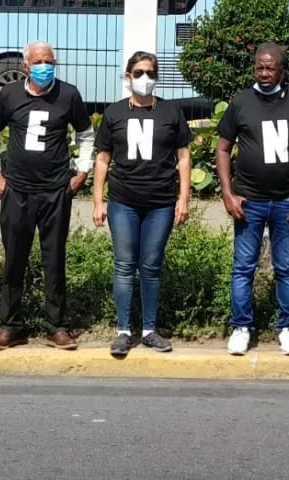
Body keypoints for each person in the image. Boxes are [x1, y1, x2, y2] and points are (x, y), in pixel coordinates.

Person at [0, 40, 93, 350]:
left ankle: (56, 326)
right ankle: (10, 325)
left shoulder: (68, 94)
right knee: (14, 258)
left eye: (50, 62)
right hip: (17, 190)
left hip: (55, 191)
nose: (46, 66)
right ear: (26, 66)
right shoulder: (10, 94)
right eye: (40, 61)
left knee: (54, 259)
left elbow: (86, 136)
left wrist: (81, 173)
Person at [217, 43, 289, 357]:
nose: (264, 73)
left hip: (287, 201)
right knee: (243, 267)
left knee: (286, 267)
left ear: (281, 70)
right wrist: (227, 192)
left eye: (270, 67)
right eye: (259, 67)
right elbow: (222, 148)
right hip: (248, 200)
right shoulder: (241, 102)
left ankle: (287, 327)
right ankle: (241, 327)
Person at [92, 52, 193, 357]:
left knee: (151, 267)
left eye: (149, 72)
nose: (144, 78)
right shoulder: (113, 114)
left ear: (156, 76)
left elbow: (184, 156)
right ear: (128, 76)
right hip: (123, 201)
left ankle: (149, 330)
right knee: (124, 265)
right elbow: (102, 159)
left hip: (161, 202)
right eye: (138, 72)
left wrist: (183, 198)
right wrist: (98, 200)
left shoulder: (170, 112)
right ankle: (123, 330)